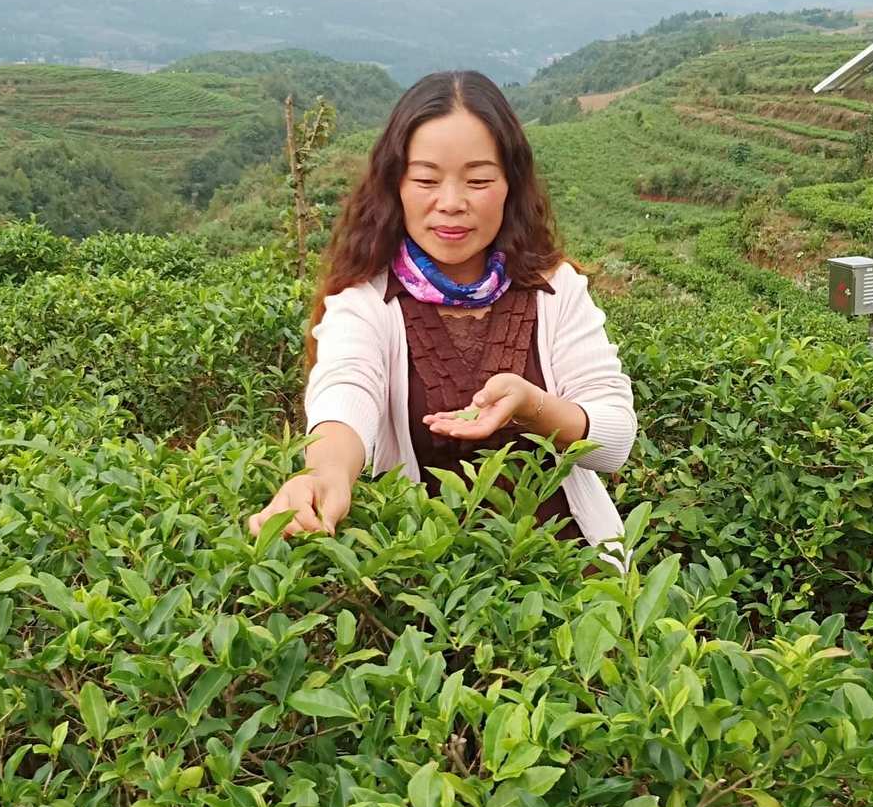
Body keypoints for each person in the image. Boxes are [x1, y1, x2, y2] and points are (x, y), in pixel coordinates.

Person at [247, 69, 637, 571]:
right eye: (427, 180)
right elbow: (346, 392)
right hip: (433, 596)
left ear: (510, 186)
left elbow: (615, 439)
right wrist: (326, 475)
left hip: (571, 587)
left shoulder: (554, 289)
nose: (451, 203)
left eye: (477, 181)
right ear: (396, 186)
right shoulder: (367, 301)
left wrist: (533, 407)